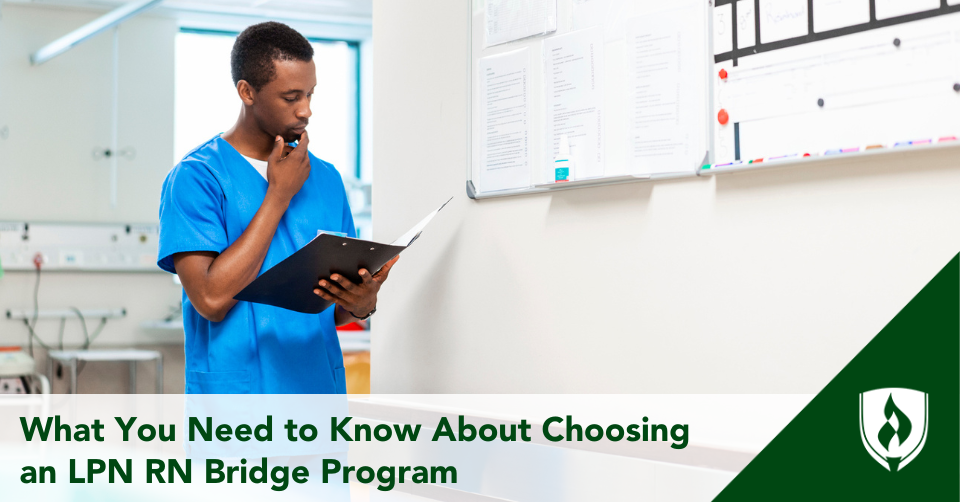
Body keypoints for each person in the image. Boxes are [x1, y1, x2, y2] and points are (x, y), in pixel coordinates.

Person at [158, 21, 395, 394]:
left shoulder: (328, 179)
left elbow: (334, 307)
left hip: (318, 397)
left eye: (310, 95)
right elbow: (211, 299)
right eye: (291, 97)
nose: (306, 111)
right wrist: (278, 196)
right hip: (238, 406)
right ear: (247, 91)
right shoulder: (196, 178)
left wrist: (362, 303)